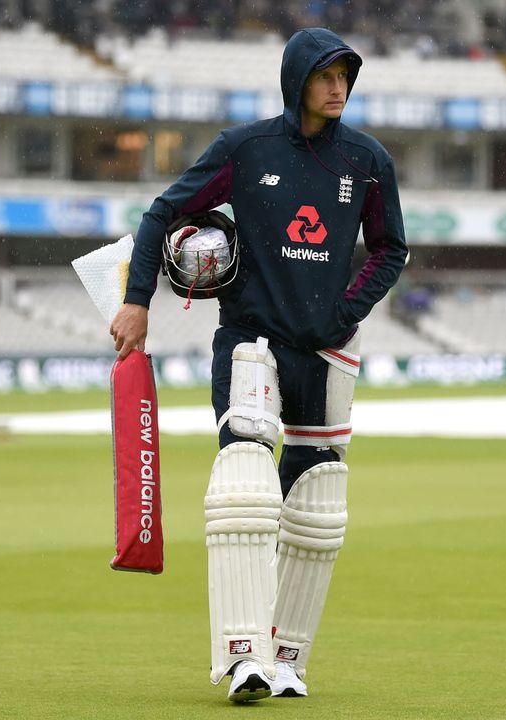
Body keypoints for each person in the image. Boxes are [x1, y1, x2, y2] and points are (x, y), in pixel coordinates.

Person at [109, 27, 408, 703]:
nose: (338, 88)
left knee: (317, 504)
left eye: (345, 77)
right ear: (297, 79)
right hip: (253, 342)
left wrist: (345, 311)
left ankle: (289, 659)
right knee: (246, 484)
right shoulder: (245, 149)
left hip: (326, 352)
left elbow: (392, 249)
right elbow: (162, 213)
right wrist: (137, 303)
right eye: (326, 76)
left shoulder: (366, 160)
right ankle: (244, 657)